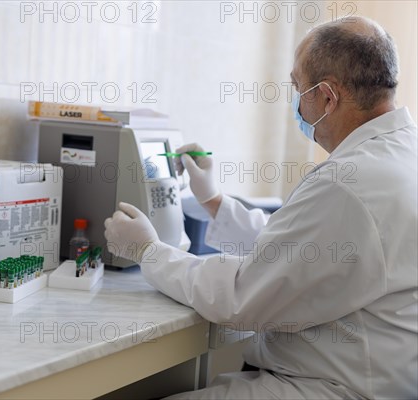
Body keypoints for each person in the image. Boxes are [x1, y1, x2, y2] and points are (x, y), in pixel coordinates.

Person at [104, 16, 417, 399]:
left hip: (332, 387)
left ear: (328, 97)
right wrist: (215, 202)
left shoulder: (347, 182)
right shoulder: (400, 154)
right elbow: (300, 250)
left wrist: (148, 252)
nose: (294, 101)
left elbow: (240, 298)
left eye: (297, 87)